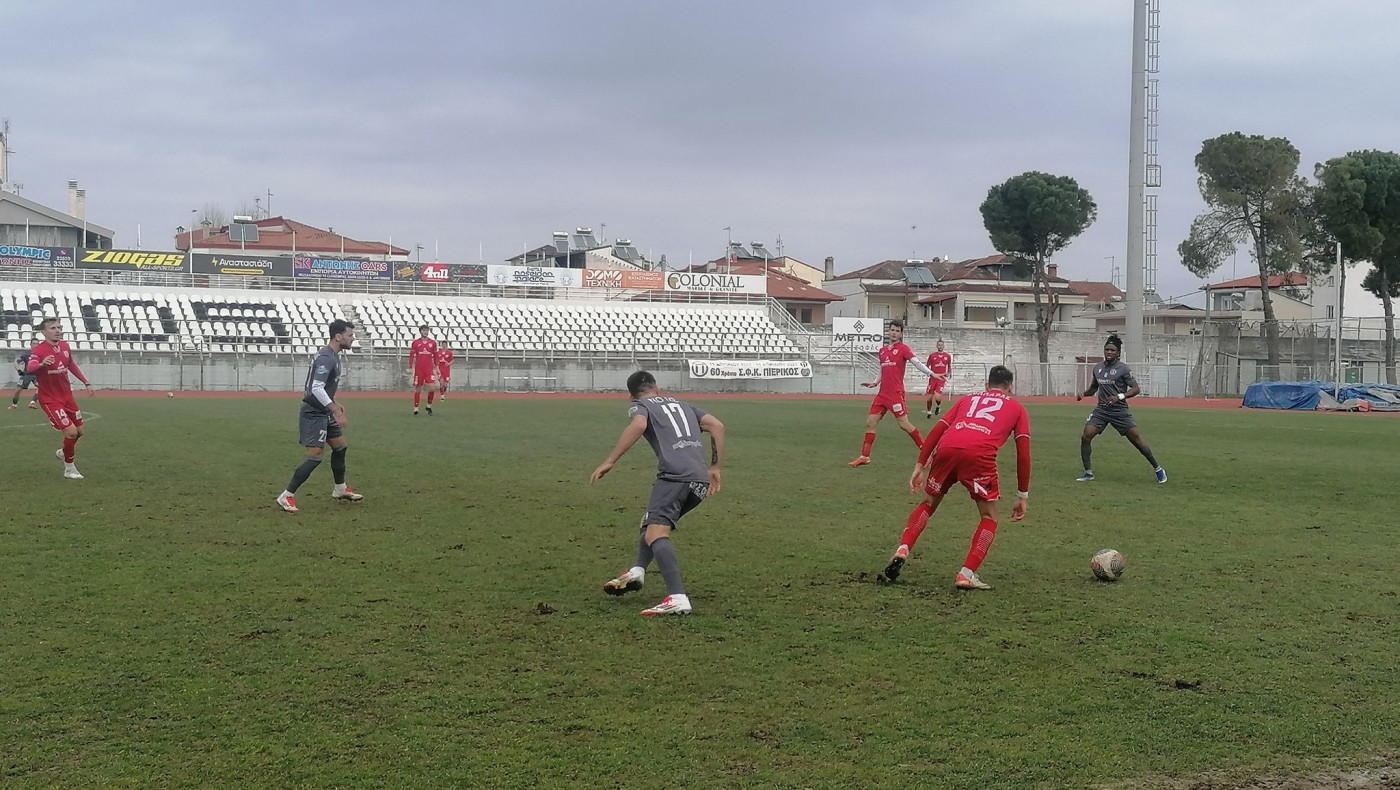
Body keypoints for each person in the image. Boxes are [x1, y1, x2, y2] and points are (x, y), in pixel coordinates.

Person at [882, 365, 1030, 590]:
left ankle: (903, 548)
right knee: (989, 517)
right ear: (1010, 387)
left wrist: (920, 464)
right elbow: (1023, 454)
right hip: (979, 455)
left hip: (947, 448)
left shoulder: (968, 399)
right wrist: (1022, 495)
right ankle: (966, 574)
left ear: (986, 386)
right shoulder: (1017, 408)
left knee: (928, 503)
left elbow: (938, 428)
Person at [590, 370, 725, 617]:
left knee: (656, 533)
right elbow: (717, 425)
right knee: (651, 520)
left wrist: (610, 461)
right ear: (657, 387)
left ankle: (677, 597)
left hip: (674, 477)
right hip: (699, 479)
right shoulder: (684, 405)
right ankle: (637, 571)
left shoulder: (640, 406)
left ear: (631, 396)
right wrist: (715, 467)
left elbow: (639, 424)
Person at [276, 319, 364, 513]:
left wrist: (334, 402)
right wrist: (334, 409)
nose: (352, 338)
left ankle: (340, 489)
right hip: (314, 413)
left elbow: (321, 386)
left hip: (324, 410)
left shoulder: (333, 355)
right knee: (315, 456)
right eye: (350, 335)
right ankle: (286, 495)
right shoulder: (326, 358)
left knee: (340, 447)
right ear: (338, 337)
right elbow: (315, 388)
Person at [1075, 334, 1166, 484]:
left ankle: (1158, 469)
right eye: (1107, 349)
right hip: (1102, 410)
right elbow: (1094, 388)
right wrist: (1083, 394)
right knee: (1086, 435)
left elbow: (1136, 389)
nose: (1109, 352)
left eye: (1112, 350)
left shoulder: (1123, 369)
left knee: (1136, 440)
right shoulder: (1098, 368)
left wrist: (1120, 396)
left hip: (1119, 411)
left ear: (1118, 353)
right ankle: (1088, 473)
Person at [849, 319, 933, 467]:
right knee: (870, 422)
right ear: (888, 331)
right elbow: (882, 369)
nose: (894, 333)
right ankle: (865, 456)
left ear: (901, 334)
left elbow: (916, 363)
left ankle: (926, 453)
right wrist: (875, 382)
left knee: (905, 425)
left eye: (897, 331)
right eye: (892, 330)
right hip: (882, 394)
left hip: (895, 394)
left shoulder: (903, 349)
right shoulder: (882, 351)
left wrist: (931, 374)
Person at [26, 318, 96, 479]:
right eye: (52, 328)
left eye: (58, 327)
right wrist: (42, 364)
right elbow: (30, 367)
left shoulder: (64, 346)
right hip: (50, 399)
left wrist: (86, 382)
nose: (57, 330)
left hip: (67, 397)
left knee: (80, 432)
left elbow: (71, 365)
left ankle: (63, 452)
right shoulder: (39, 350)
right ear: (44, 332)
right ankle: (69, 469)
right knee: (71, 432)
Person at [409, 325, 438, 415]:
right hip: (419, 369)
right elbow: (411, 356)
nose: (425, 332)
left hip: (429, 369)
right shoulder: (416, 343)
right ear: (420, 331)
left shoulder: (432, 343)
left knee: (432, 388)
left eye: (427, 330)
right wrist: (411, 367)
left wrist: (436, 367)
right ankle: (416, 408)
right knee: (418, 389)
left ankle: (428, 406)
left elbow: (436, 356)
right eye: (424, 330)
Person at [924, 339, 952, 418]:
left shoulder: (947, 356)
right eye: (939, 345)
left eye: (941, 345)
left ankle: (938, 406)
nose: (940, 346)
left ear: (944, 346)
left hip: (941, 379)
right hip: (932, 379)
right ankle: (929, 412)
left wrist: (949, 373)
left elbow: (949, 366)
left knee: (937, 396)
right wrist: (929, 373)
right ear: (937, 346)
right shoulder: (932, 356)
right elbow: (927, 366)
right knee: (929, 398)